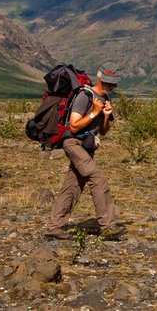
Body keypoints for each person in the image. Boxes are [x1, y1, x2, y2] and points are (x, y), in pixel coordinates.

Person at [45, 64, 126, 241]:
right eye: (107, 82)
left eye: (113, 83)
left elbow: (103, 131)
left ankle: (54, 227)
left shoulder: (105, 99)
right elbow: (74, 125)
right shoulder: (85, 95)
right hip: (74, 143)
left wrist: (104, 116)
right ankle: (108, 227)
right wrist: (94, 112)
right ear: (99, 77)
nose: (110, 86)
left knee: (72, 187)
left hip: (86, 148)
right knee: (98, 179)